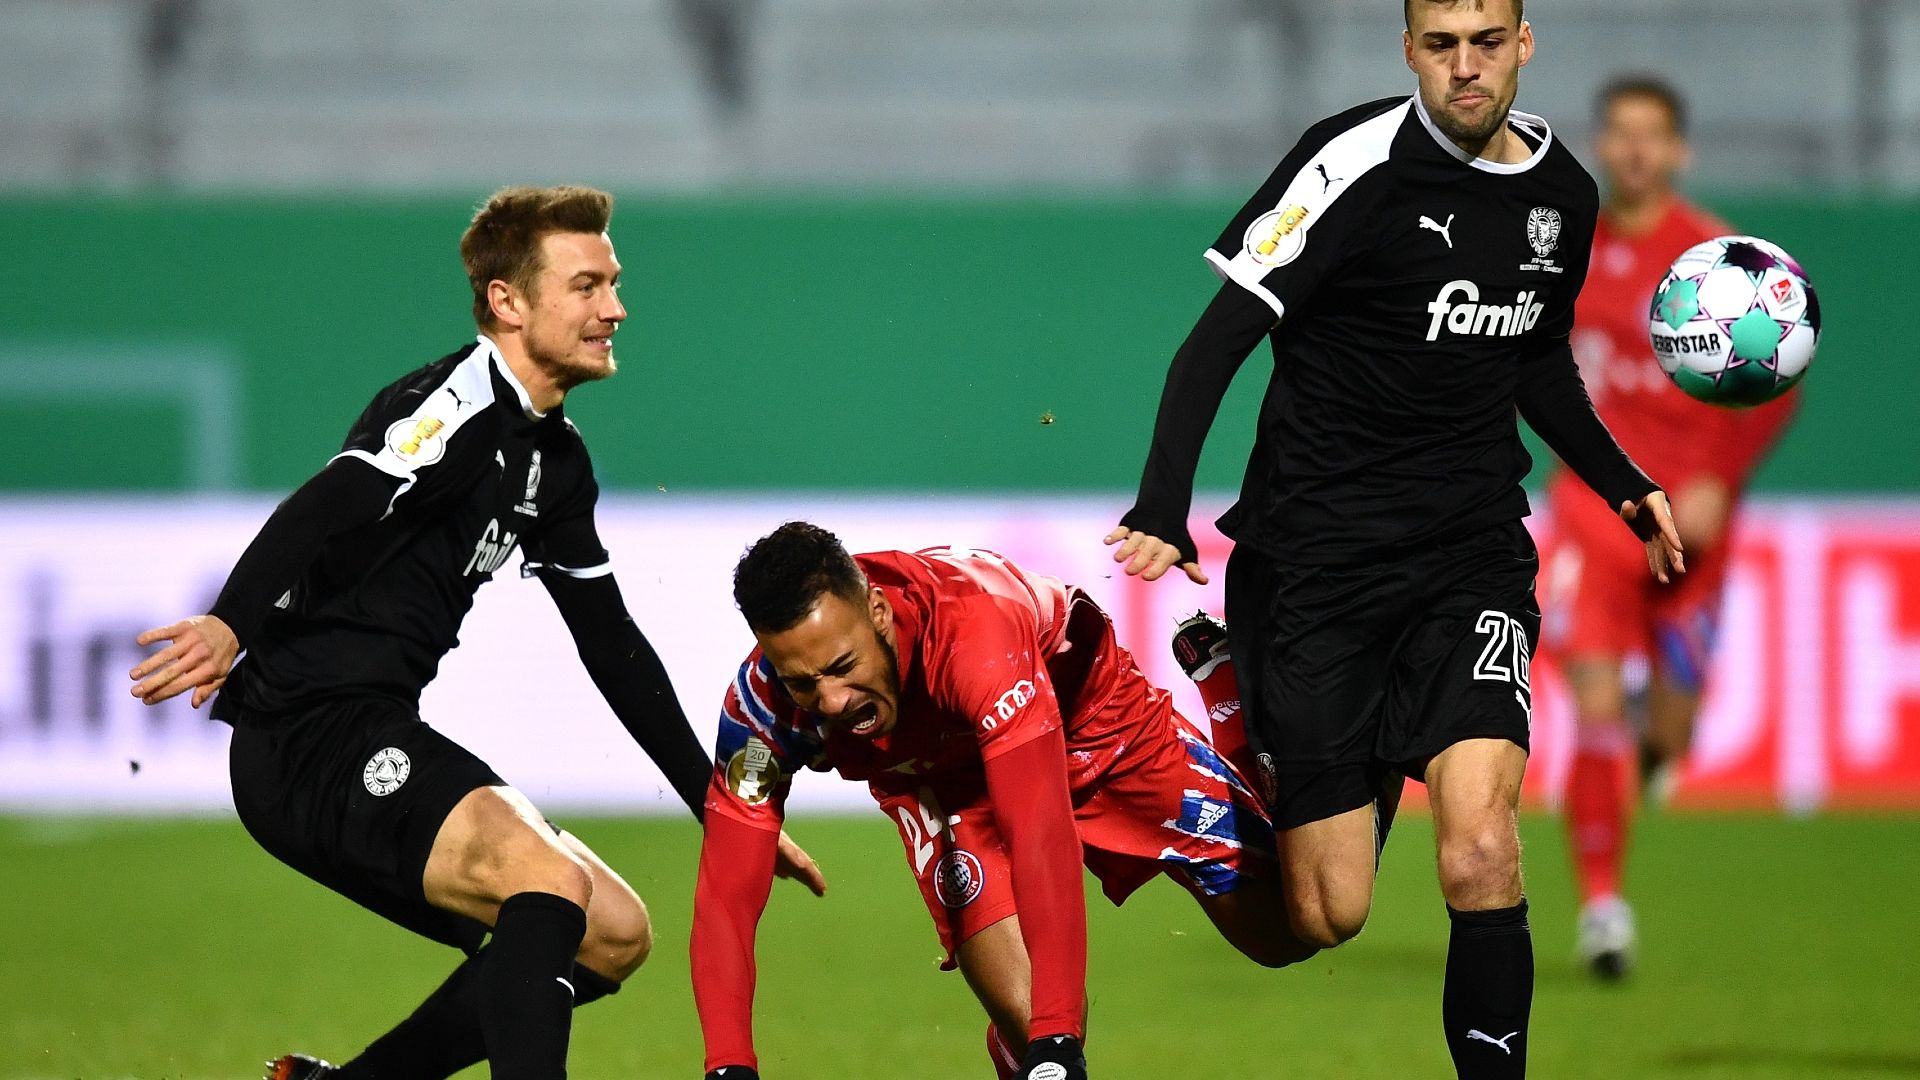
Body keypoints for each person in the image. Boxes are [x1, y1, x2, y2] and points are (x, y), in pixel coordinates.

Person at [1102, 2, 1685, 1076]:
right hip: (1316, 570)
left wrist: (1624, 484)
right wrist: (1161, 504)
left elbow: (1535, 357)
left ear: (1523, 43)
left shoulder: (1563, 196)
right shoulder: (1349, 162)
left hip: (1471, 560)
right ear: (1409, 49)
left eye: (1487, 41)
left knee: (1481, 847)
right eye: (1441, 44)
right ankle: (1237, 708)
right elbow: (1219, 337)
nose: (1466, 66)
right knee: (1327, 914)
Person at [128, 185, 823, 1080]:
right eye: (586, 286)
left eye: (613, 283)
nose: (615, 308)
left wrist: (716, 804)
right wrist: (233, 621)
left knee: (613, 933)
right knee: (547, 881)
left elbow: (610, 643)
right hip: (304, 734)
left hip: (369, 723)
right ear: (508, 301)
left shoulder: (556, 461)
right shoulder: (454, 403)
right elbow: (336, 496)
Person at [689, 523, 1315, 1080]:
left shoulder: (971, 631)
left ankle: (1229, 708)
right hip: (944, 783)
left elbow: (1038, 832)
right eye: (802, 683)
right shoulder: (761, 709)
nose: (830, 701)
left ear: (877, 612)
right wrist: (728, 1066)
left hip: (1092, 719)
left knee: (1292, 931)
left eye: (843, 666)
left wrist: (1058, 1036)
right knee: (1026, 1019)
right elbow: (726, 895)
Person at [1545, 76, 1799, 979]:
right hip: (1597, 512)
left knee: (1671, 738)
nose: (1637, 149)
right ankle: (1603, 909)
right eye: (1621, 132)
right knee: (1594, 701)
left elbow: (1780, 379)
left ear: (1678, 149)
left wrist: (1719, 479)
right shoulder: (1564, 252)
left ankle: (1651, 740)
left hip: (1693, 527)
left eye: (1653, 134)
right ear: (1602, 145)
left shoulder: (1719, 262)